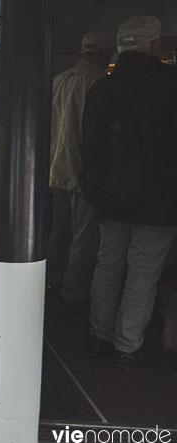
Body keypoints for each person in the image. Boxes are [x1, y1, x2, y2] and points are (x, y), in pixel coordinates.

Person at [83, 16, 177, 369]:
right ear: (154, 46)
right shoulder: (170, 86)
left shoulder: (100, 88)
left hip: (109, 194)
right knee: (143, 272)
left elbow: (88, 145)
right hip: (158, 200)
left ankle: (98, 336)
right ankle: (128, 345)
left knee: (107, 265)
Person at [46, 31, 115, 312]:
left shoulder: (59, 81)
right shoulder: (100, 84)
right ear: (103, 54)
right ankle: (73, 292)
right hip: (83, 172)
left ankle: (51, 279)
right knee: (84, 237)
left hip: (55, 169)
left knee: (58, 231)